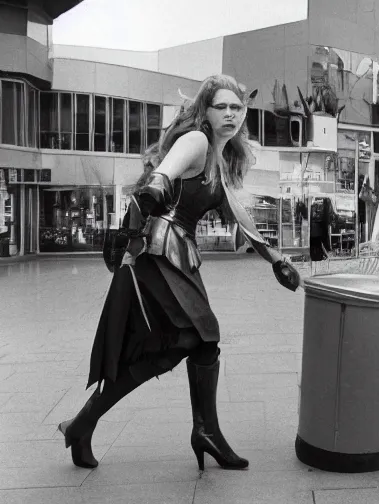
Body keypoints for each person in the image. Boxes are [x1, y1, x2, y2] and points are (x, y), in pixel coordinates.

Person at [59, 74, 300, 470]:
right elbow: (163, 174)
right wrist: (152, 191)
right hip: (157, 254)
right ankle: (87, 424)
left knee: (200, 343)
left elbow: (239, 217)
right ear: (204, 110)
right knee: (197, 337)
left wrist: (275, 258)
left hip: (178, 256)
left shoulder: (218, 162)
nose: (230, 114)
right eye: (221, 106)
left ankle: (198, 431)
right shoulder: (198, 141)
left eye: (236, 107)